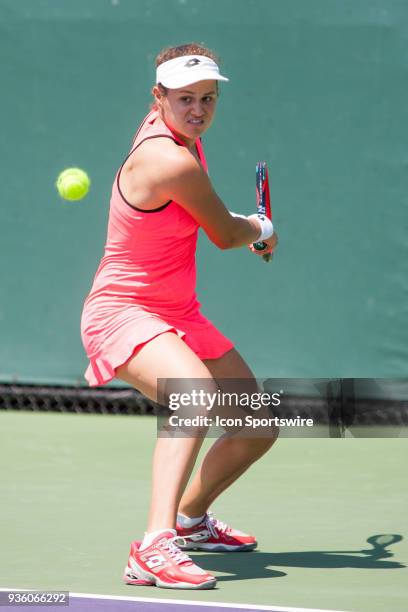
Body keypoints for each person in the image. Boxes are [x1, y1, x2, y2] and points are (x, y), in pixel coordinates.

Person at [80, 43, 278, 590]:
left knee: (256, 424)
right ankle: (153, 546)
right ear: (158, 98)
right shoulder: (169, 157)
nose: (198, 111)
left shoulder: (181, 136)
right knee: (193, 394)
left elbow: (213, 217)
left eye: (208, 99)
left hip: (177, 310)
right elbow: (223, 234)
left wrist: (244, 225)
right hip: (123, 310)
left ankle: (190, 522)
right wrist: (260, 229)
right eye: (185, 99)